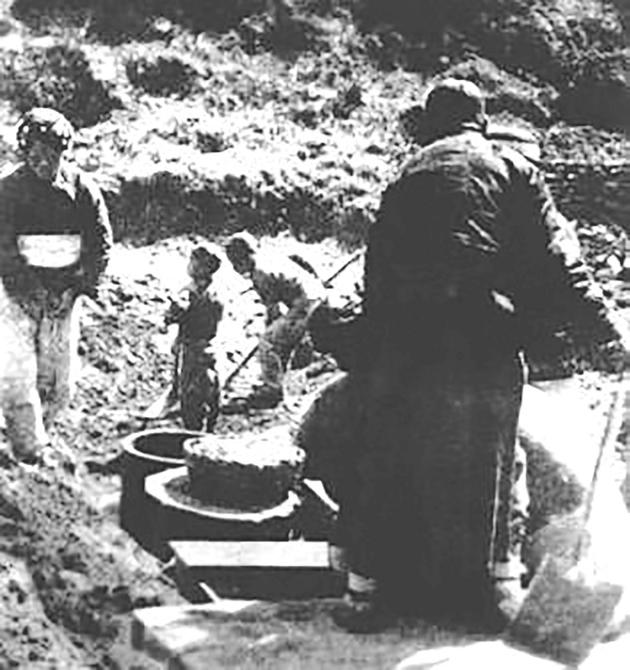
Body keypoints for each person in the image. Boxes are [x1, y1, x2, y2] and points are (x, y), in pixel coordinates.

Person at [304, 78, 630, 632]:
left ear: (430, 125)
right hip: (483, 334)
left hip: (406, 337)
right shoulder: (514, 169)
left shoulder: (407, 176)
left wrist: (370, 347)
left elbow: (377, 275)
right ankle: (499, 592)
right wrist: (610, 335)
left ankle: (364, 592)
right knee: (497, 460)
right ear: (481, 123)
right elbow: (560, 263)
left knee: (388, 453)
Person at [0, 107, 112, 464]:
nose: (43, 163)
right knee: (17, 374)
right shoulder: (8, 190)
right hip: (16, 296)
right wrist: (30, 292)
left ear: (64, 153)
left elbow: (100, 244)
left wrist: (76, 288)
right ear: (25, 153)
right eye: (34, 155)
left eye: (51, 155)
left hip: (64, 295)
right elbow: (2, 248)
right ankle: (28, 449)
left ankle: (40, 434)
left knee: (59, 381)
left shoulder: (83, 189)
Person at [224, 231, 327, 409]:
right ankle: (280, 380)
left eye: (236, 263)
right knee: (282, 339)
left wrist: (269, 333)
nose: (235, 268)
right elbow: (301, 262)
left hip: (307, 305)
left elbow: (273, 311)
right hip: (317, 297)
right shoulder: (270, 257)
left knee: (268, 342)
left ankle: (272, 388)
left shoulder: (260, 274)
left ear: (244, 258)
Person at [162, 244, 224, 432]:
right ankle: (211, 426)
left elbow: (178, 312)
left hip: (190, 347)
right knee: (211, 385)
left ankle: (192, 431)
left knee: (189, 391)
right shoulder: (216, 290)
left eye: (193, 261)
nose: (189, 264)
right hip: (210, 344)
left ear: (201, 267)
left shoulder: (189, 291)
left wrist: (170, 314)